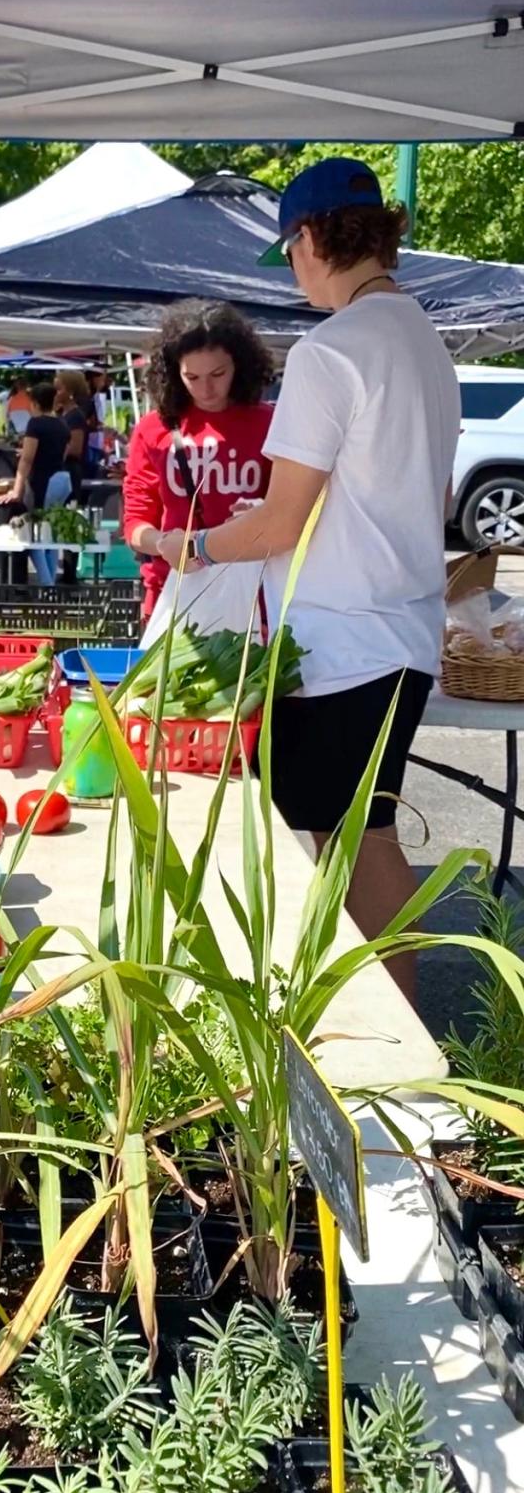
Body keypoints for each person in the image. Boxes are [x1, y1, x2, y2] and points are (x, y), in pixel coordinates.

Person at [158, 158, 461, 1003]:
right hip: (403, 630)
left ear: (314, 237)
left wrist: (204, 548)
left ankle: (389, 1028)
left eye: (289, 251)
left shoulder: (332, 352)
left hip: (343, 642)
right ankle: (373, 1015)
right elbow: (431, 494)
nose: (293, 271)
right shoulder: (424, 342)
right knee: (361, 832)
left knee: (354, 840)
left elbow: (281, 519)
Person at [123, 300, 273, 639]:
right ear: (173, 372)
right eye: (192, 377)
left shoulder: (271, 423)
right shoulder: (153, 429)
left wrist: (261, 513)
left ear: (240, 365)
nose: (206, 389)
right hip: (172, 595)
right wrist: (163, 543)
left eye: (218, 374)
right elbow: (135, 521)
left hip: (256, 598)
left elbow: (293, 510)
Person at [0, 381, 70, 586]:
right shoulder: (62, 424)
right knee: (51, 534)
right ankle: (50, 581)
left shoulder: (35, 424)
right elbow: (59, 453)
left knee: (33, 534)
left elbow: (27, 460)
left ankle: (47, 584)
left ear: (35, 403)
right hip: (62, 479)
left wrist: (16, 490)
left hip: (44, 482)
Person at [54, 369, 90, 500]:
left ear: (70, 392)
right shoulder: (60, 413)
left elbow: (76, 449)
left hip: (70, 472)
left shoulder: (76, 416)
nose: (55, 393)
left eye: (58, 389)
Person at [86, 369, 109, 467]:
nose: (104, 383)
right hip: (89, 446)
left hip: (94, 445)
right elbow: (88, 424)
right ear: (94, 379)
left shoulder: (95, 397)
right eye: (102, 379)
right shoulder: (87, 400)